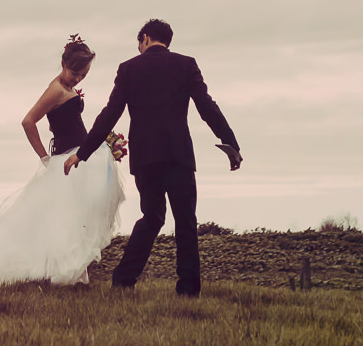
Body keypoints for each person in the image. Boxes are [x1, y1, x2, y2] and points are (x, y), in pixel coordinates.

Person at [64, 18, 241, 297]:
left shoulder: (128, 69)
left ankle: (123, 280)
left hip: (146, 157)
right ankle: (188, 290)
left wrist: (82, 153)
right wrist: (230, 141)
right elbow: (207, 106)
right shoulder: (186, 64)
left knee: (152, 216)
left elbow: (110, 113)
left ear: (145, 38)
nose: (138, 48)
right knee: (185, 220)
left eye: (139, 43)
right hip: (178, 154)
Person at [0, 36, 128, 286]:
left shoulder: (68, 88)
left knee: (77, 218)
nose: (77, 79)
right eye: (75, 73)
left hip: (78, 155)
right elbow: (28, 121)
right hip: (66, 159)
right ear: (64, 64)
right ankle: (69, 275)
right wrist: (44, 156)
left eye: (83, 75)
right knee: (67, 218)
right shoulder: (55, 89)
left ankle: (76, 275)